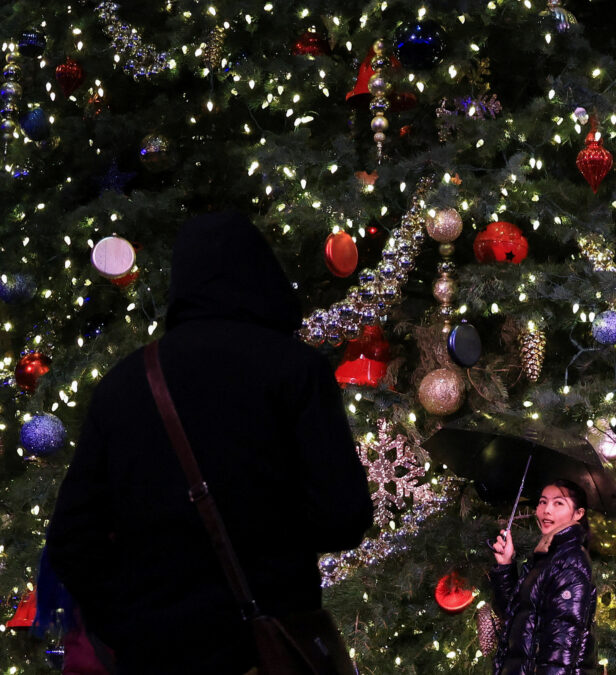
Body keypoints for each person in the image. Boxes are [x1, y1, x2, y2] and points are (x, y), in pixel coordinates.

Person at [45, 211, 373, 674]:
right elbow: (344, 517)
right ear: (262, 274)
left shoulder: (123, 385)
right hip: (268, 647)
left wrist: (129, 624)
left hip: (159, 656)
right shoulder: (295, 370)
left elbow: (71, 540)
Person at [488, 479, 600, 674]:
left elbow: (562, 644)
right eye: (542, 502)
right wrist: (505, 565)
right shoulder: (545, 556)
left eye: (558, 503)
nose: (547, 510)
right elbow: (514, 615)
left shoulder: (571, 560)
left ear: (579, 513)